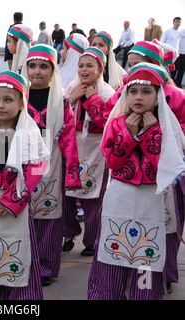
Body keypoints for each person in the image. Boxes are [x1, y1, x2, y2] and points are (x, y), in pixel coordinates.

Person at [88, 63, 185, 300]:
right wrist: (129, 136)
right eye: (133, 91)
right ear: (126, 94)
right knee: (113, 249)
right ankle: (107, 294)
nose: (139, 97)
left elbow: (161, 167)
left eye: (146, 92)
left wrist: (151, 133)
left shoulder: (165, 127)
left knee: (146, 254)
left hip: (151, 198)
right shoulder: (117, 123)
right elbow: (113, 162)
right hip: (120, 195)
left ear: (158, 95)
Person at [0, 70, 50, 300]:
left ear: (22, 103)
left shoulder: (30, 135)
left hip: (16, 206)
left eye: (8, 99)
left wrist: (11, 201)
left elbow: (35, 169)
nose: (0, 105)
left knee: (19, 255)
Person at [20, 45, 81, 286]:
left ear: (53, 70)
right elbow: (3, 128)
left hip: (50, 162)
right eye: (32, 66)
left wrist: (72, 173)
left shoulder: (60, 101)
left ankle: (45, 266)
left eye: (43, 66)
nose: (37, 71)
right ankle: (21, 261)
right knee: (21, 213)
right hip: (21, 161)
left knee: (48, 214)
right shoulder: (17, 95)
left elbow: (68, 138)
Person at [62, 47, 115, 256]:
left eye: (90, 65)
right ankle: (69, 232)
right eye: (81, 65)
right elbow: (58, 118)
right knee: (66, 197)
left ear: (100, 69)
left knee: (93, 199)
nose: (84, 69)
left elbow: (106, 123)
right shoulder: (70, 88)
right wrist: (71, 100)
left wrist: (92, 99)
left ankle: (92, 240)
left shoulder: (108, 93)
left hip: (95, 152)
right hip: (71, 148)